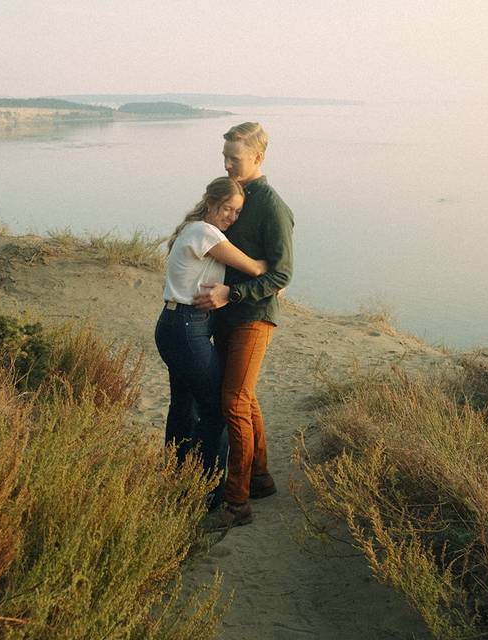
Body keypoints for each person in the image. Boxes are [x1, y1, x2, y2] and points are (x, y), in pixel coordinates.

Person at [193, 122, 294, 529]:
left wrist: (230, 295)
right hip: (226, 317)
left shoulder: (271, 206)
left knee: (233, 401)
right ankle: (261, 480)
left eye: (234, 158)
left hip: (252, 317)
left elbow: (282, 274)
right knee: (245, 399)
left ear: (258, 157)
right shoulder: (235, 198)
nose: (227, 164)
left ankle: (237, 503)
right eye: (224, 157)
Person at [155, 177, 267, 508]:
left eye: (237, 212)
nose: (231, 217)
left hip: (176, 325)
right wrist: (276, 274)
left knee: (183, 406)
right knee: (217, 406)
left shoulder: (194, 230)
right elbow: (253, 267)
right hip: (187, 327)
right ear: (211, 202)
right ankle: (208, 494)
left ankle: (176, 481)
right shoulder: (205, 233)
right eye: (227, 209)